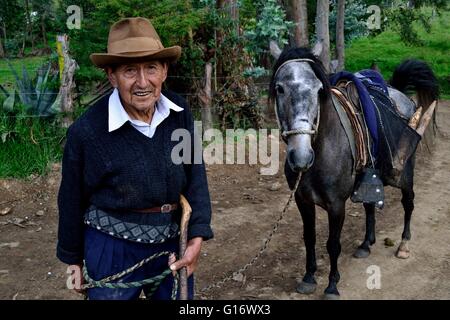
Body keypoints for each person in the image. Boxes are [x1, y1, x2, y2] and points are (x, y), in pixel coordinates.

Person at [56, 17, 213, 300]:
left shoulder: (181, 114)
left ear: (164, 71)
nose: (143, 82)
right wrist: (73, 260)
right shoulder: (86, 132)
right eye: (130, 71)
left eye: (151, 68)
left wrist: (197, 236)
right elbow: (71, 198)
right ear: (111, 75)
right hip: (110, 247)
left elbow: (195, 177)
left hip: (170, 243)